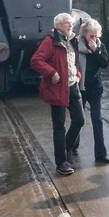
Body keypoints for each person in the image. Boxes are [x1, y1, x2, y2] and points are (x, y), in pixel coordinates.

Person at [30, 12, 84, 175]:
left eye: (71, 23)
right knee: (59, 126)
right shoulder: (50, 41)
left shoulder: (73, 39)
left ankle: (65, 147)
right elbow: (36, 61)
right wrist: (52, 73)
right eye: (68, 23)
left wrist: (77, 73)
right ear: (58, 25)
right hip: (58, 89)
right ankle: (61, 162)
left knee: (80, 120)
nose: (71, 25)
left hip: (73, 85)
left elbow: (74, 60)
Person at [77, 18, 109, 164]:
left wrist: (96, 50)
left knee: (97, 120)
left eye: (96, 35)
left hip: (95, 88)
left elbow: (105, 63)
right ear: (84, 34)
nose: (94, 38)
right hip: (80, 87)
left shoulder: (99, 45)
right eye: (92, 35)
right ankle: (73, 146)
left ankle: (100, 154)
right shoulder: (75, 44)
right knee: (78, 120)